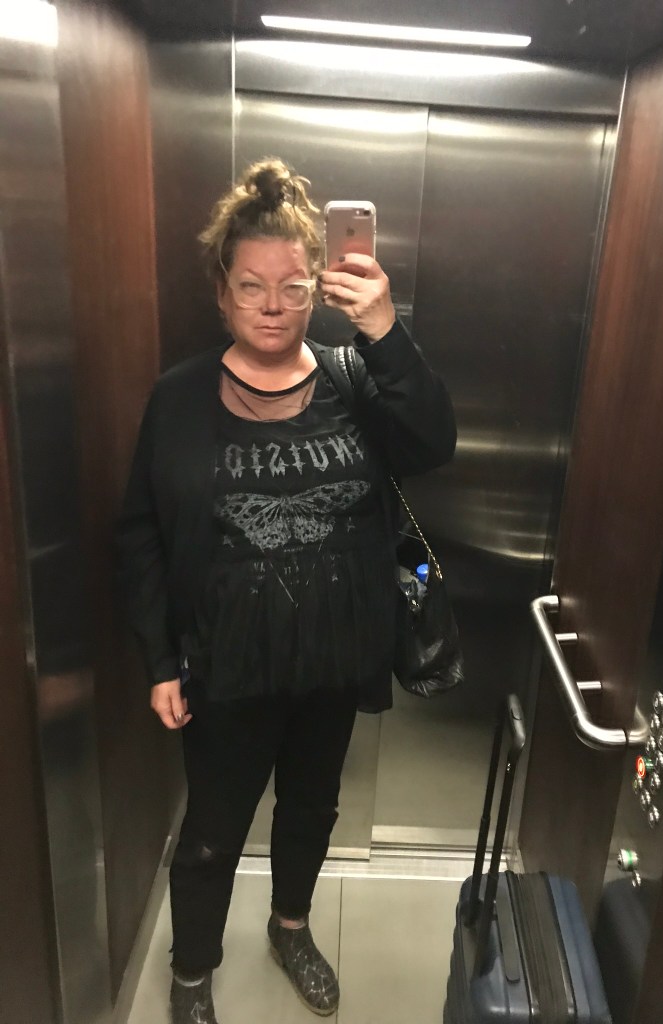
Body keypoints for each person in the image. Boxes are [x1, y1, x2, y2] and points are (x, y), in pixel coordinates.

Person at [117, 157, 456, 1023]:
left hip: (335, 658)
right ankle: (193, 972)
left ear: (317, 291)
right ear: (222, 292)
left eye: (293, 286)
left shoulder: (354, 376)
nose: (271, 305)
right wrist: (158, 659)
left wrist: (385, 332)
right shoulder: (179, 398)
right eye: (251, 286)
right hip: (224, 667)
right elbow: (142, 533)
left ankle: (291, 928)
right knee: (211, 832)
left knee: (312, 808)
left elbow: (432, 444)